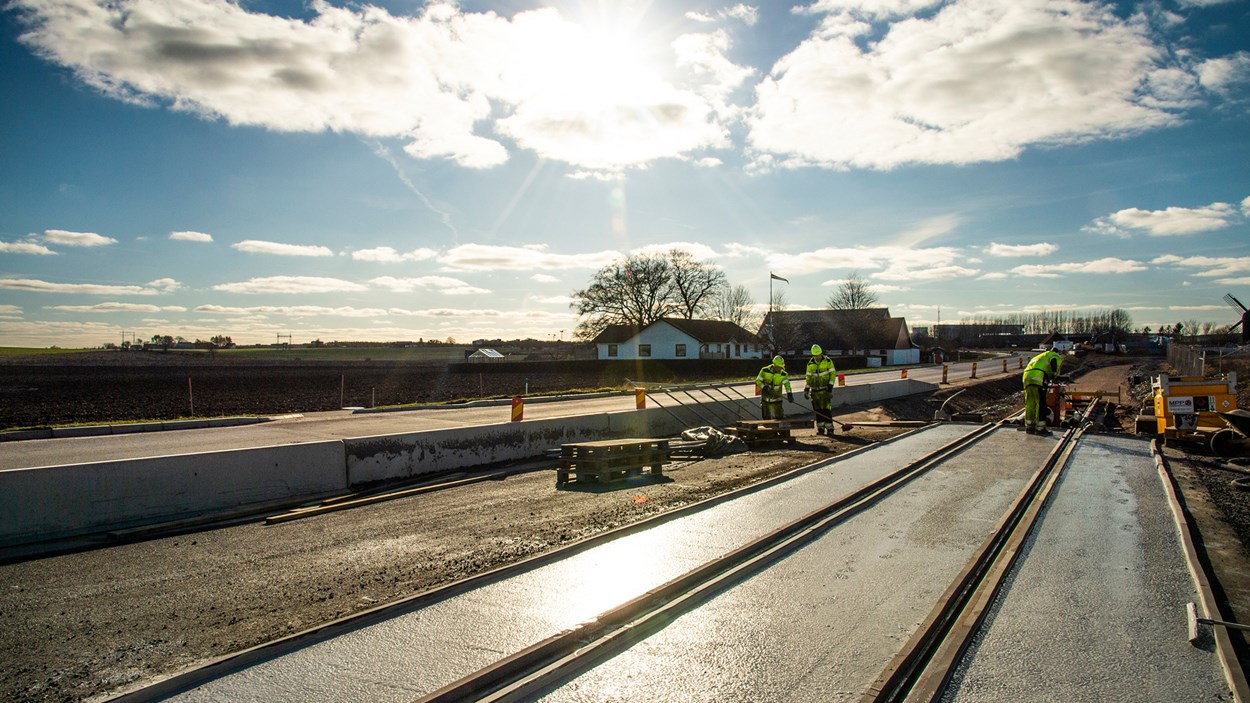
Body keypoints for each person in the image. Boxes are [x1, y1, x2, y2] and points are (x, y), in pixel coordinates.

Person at [1022, 346, 1064, 435]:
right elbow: (1054, 364)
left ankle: (1029, 426)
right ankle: (1040, 428)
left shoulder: (1039, 356)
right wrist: (1054, 376)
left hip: (1027, 378)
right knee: (1041, 403)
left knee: (1030, 402)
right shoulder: (1054, 355)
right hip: (1039, 377)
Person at [804, 344, 837, 435]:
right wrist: (807, 389)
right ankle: (821, 428)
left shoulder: (828, 361)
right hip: (815, 391)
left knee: (826, 410)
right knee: (818, 411)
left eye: (818, 355)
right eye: (815, 356)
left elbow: (833, 374)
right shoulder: (810, 364)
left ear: (821, 353)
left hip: (825, 390)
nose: (817, 357)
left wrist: (830, 386)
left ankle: (830, 428)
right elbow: (808, 377)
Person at [755, 355, 794, 420]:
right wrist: (763, 387)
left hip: (777, 400)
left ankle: (779, 430)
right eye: (779, 367)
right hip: (765, 399)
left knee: (779, 418)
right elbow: (758, 380)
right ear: (774, 365)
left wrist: (789, 394)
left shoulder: (783, 374)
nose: (780, 369)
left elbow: (787, 385)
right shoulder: (764, 370)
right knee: (766, 418)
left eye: (781, 367)